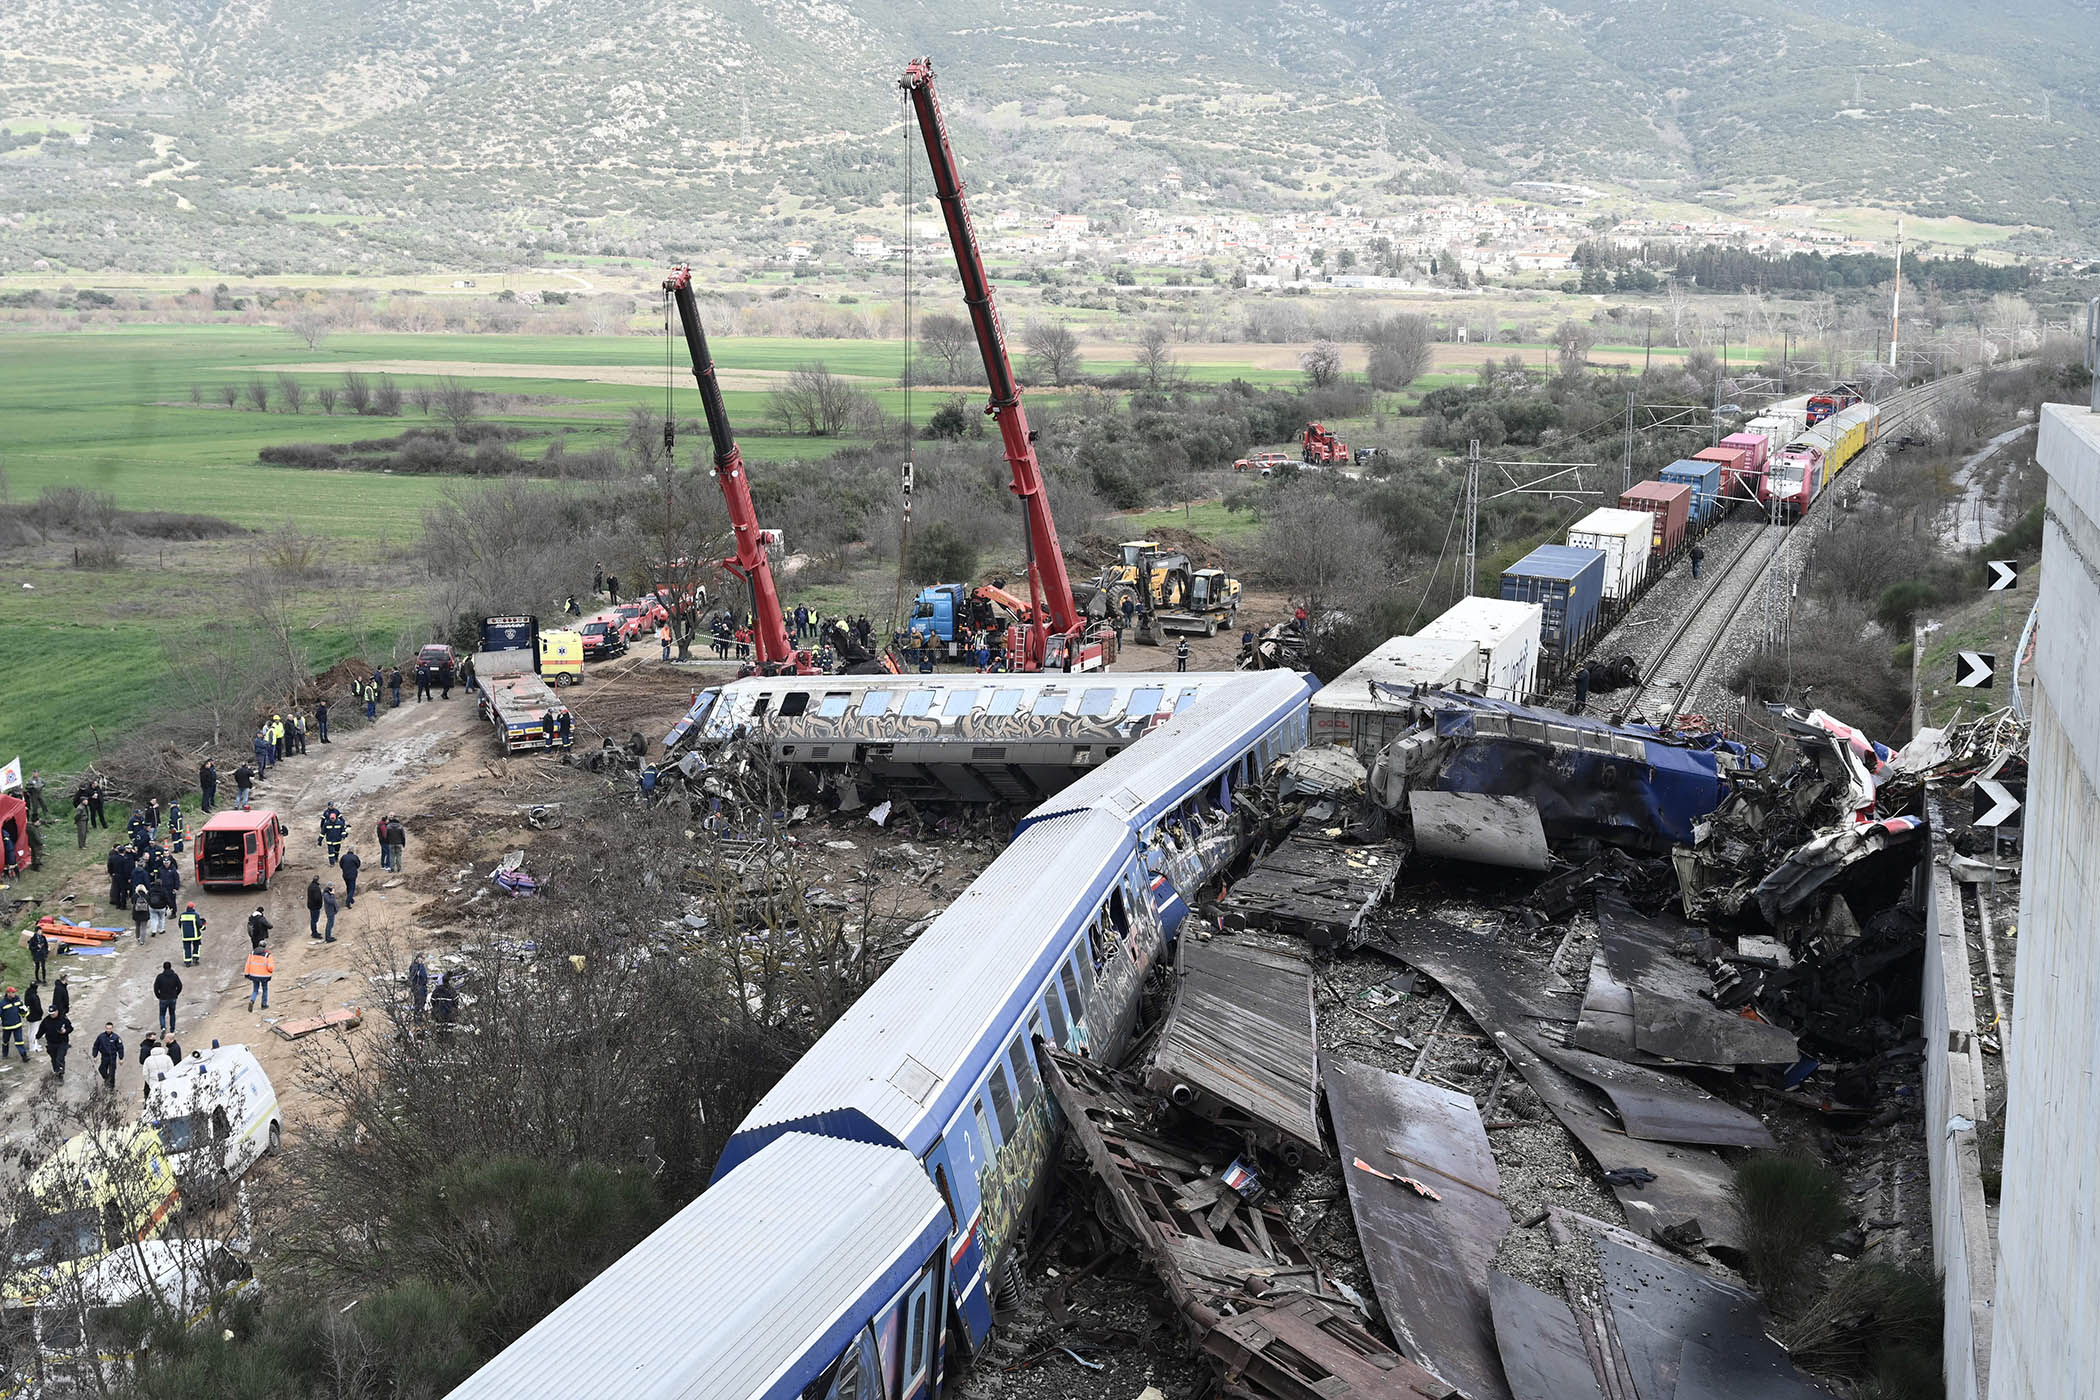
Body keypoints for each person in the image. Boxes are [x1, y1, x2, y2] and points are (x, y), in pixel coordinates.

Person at [37, 1007, 72, 1078]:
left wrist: (65, 1031)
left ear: (57, 1011)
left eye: (53, 1014)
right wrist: (37, 1037)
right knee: (54, 1059)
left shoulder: (63, 1019)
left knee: (59, 1058)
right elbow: (41, 1029)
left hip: (62, 1042)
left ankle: (60, 1073)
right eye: (50, 1014)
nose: (52, 1015)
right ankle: (56, 1071)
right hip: (51, 1043)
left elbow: (70, 1028)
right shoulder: (46, 1020)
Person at [91, 1023, 123, 1090]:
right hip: (104, 1057)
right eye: (107, 1028)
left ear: (112, 1028)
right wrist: (95, 1055)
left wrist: (121, 1058)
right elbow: (96, 1046)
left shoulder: (116, 1037)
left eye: (110, 1028)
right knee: (101, 1069)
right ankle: (107, 1079)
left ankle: (111, 1087)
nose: (109, 1030)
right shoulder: (101, 1037)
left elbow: (120, 1048)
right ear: (105, 1028)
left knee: (112, 1072)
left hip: (112, 1057)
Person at [154, 961, 182, 1032]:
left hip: (163, 998)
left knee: (162, 1014)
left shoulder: (160, 977)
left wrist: (158, 996)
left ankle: (163, 1027)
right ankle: (172, 1029)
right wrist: (176, 994)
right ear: (170, 967)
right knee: (172, 1014)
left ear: (163, 968)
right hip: (173, 998)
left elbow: (155, 988)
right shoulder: (175, 976)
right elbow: (180, 986)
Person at [245, 945, 274, 1011]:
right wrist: (270, 972)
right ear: (265, 946)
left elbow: (248, 964)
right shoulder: (267, 955)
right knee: (265, 989)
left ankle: (252, 1000)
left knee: (255, 990)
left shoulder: (252, 953)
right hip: (264, 976)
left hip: (254, 975)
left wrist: (247, 974)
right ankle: (264, 1004)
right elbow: (270, 967)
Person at [0, 988, 26, 1063]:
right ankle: (5, 1054)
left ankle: (24, 1055)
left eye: (14, 992)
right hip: (7, 1027)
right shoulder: (2, 1003)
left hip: (17, 1025)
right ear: (8, 993)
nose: (14, 994)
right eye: (13, 992)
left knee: (19, 1041)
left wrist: (24, 1012)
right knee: (5, 1041)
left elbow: (22, 1011)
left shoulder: (18, 1001)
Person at [178, 902, 205, 967]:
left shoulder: (182, 915)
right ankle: (195, 958)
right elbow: (199, 924)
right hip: (195, 935)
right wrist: (203, 928)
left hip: (185, 935)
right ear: (193, 908)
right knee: (196, 945)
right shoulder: (195, 915)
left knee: (187, 948)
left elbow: (179, 924)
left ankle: (187, 962)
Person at [146, 870, 171, 936]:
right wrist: (170, 905)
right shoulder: (163, 890)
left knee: (153, 919)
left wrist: (149, 904)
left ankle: (154, 931)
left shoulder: (151, 890)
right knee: (161, 918)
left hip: (152, 907)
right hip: (161, 907)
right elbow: (167, 899)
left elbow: (147, 897)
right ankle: (161, 930)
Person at [409, 953, 430, 1021]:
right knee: (418, 1002)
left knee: (422, 1002)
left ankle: (420, 1016)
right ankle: (417, 1017)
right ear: (418, 958)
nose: (423, 960)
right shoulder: (415, 966)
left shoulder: (421, 966)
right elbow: (413, 976)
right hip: (418, 987)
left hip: (422, 986)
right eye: (422, 958)